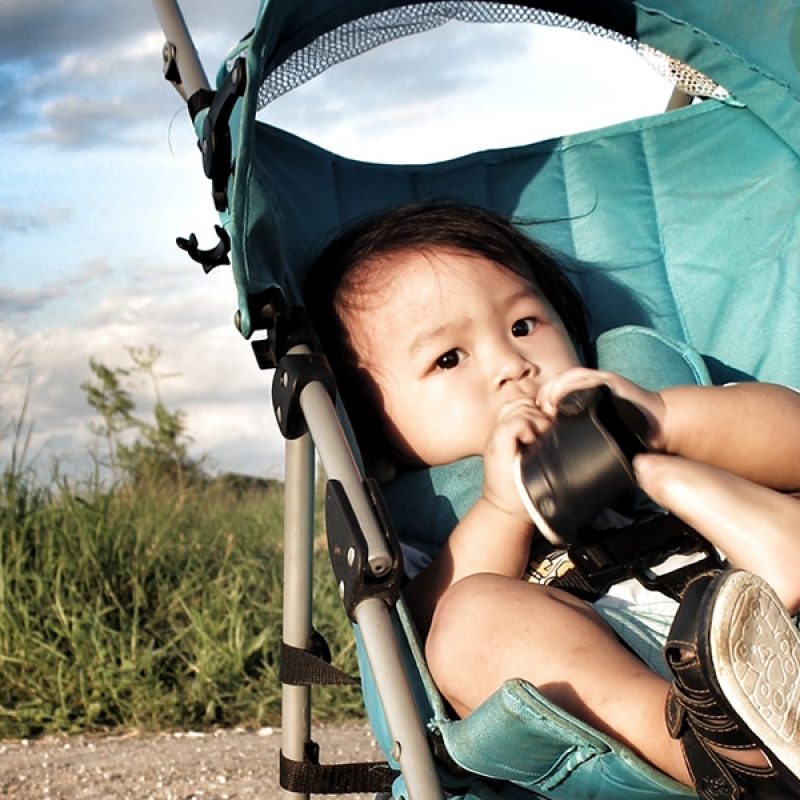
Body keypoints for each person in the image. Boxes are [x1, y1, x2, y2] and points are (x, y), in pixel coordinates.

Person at [303, 201, 800, 799]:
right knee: (467, 625)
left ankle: (779, 566)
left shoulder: (638, 406)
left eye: (523, 326)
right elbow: (425, 655)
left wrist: (661, 421)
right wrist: (503, 509)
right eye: (448, 359)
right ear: (368, 429)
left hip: (758, 605)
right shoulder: (421, 528)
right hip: (644, 684)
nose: (512, 366)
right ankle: (716, 750)